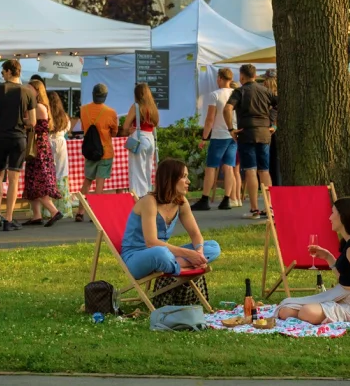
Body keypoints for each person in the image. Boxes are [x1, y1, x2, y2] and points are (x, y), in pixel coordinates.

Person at [276, 197, 350, 324]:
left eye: (333, 213)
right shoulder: (348, 242)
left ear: (343, 217)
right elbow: (344, 278)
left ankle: (313, 314)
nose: (330, 218)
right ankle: (314, 314)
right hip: (340, 294)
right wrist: (328, 257)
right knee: (285, 311)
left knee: (306, 312)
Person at [119, 159, 220, 277]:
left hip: (164, 254)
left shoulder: (181, 202)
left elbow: (195, 234)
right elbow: (151, 242)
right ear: (170, 179)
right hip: (137, 257)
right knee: (161, 253)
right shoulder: (149, 201)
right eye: (184, 177)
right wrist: (188, 254)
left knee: (213, 246)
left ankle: (174, 265)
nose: (188, 181)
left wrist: (199, 253)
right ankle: (181, 267)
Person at [0, 59, 37, 231]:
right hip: (18, 137)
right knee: (14, 178)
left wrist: (0, 121)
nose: (2, 75)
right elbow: (33, 121)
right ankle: (8, 219)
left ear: (8, 71)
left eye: (3, 72)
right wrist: (21, 121)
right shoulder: (28, 92)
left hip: (0, 136)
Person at [223, 64, 278, 219]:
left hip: (246, 133)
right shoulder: (265, 91)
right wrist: (273, 123)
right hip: (264, 133)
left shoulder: (239, 91)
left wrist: (231, 129)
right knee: (265, 171)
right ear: (255, 76)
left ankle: (254, 210)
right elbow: (277, 104)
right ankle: (269, 207)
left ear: (242, 76)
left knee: (251, 170)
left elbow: (227, 109)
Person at [191, 68, 236, 212]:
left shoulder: (215, 95)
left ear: (221, 78)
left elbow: (210, 119)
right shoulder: (236, 94)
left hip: (219, 135)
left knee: (211, 167)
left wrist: (204, 137)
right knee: (229, 166)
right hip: (233, 135)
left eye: (218, 77)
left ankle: (205, 198)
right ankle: (227, 199)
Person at [22, 79, 64, 227]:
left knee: (37, 182)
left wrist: (21, 121)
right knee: (32, 180)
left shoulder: (39, 107)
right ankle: (37, 215)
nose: (27, 91)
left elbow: (36, 126)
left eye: (29, 88)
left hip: (38, 148)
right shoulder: (37, 106)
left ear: (37, 91)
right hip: (39, 147)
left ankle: (54, 211)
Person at [75, 83, 118, 222]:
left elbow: (84, 128)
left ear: (93, 94)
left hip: (90, 151)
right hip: (105, 152)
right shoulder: (111, 112)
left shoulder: (83, 110)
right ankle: (96, 213)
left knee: (87, 181)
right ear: (105, 96)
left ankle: (80, 212)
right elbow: (114, 132)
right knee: (100, 183)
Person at [121, 83, 160, 198]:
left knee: (137, 170)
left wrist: (129, 129)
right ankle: (148, 193)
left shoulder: (136, 106)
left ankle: (138, 196)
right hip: (150, 138)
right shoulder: (153, 108)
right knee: (148, 169)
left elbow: (125, 126)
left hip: (139, 137)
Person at [47, 91, 74, 220]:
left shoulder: (47, 115)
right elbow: (67, 128)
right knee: (61, 173)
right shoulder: (64, 116)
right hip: (61, 143)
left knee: (48, 174)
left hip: (48, 142)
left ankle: (49, 210)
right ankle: (65, 208)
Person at [262, 76, 280, 187]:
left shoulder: (274, 100)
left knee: (274, 161)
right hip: (269, 131)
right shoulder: (267, 100)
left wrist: (274, 126)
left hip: (273, 132)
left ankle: (276, 185)